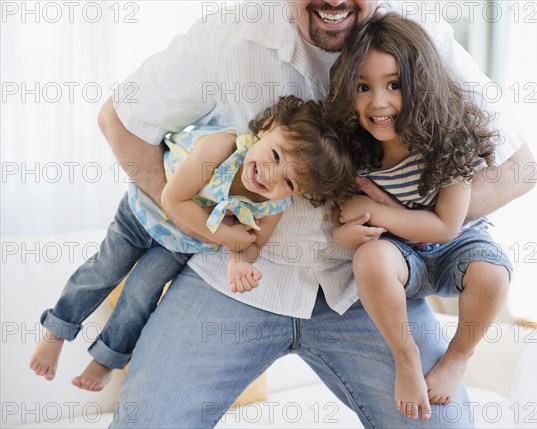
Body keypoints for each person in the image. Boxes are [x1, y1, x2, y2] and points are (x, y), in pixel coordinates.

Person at [98, 1, 535, 427]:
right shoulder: (226, 34)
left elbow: (518, 169)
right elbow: (120, 121)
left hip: (363, 291)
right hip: (234, 281)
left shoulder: (415, 36)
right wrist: (202, 227)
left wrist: (397, 218)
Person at [30, 95, 353, 392]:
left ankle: (105, 361)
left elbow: (252, 244)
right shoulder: (221, 147)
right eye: (275, 155)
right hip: (143, 212)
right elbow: (173, 198)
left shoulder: (272, 206)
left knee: (141, 295)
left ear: (299, 194)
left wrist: (240, 261)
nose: (270, 175)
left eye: (289, 181)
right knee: (103, 269)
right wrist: (225, 236)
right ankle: (57, 330)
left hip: (179, 245)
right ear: (266, 129)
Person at [327, 12, 512, 419]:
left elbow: (446, 226)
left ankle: (458, 356)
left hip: (456, 246)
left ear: (420, 84)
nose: (378, 102)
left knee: (493, 274)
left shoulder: (448, 138)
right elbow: (341, 228)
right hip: (400, 257)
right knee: (368, 258)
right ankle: (406, 358)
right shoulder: (352, 153)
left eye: (394, 85)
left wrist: (376, 209)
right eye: (362, 87)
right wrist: (347, 234)